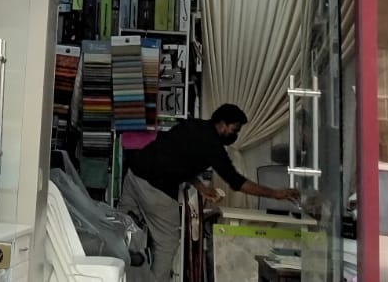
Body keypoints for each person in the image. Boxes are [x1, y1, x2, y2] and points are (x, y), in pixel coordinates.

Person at [119, 104, 301, 282]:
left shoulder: (192, 124)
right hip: (156, 189)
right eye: (234, 130)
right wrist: (276, 194)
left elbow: (176, 158)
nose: (235, 135)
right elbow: (236, 182)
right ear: (222, 124)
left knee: (121, 229)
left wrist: (201, 187)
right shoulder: (213, 145)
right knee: (167, 243)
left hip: (133, 175)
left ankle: (117, 273)